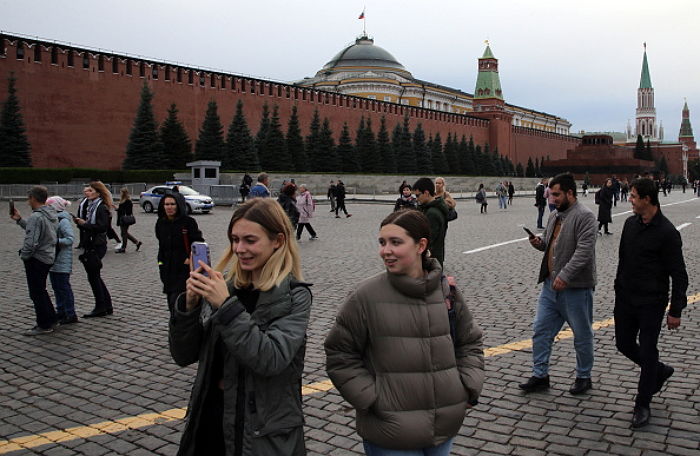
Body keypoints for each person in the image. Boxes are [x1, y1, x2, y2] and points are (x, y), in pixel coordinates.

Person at [325, 209, 484, 456]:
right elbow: (340, 354)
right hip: (391, 433)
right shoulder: (364, 296)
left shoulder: (447, 292)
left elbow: (470, 342)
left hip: (444, 426)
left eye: (395, 242)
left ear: (421, 245)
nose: (385, 251)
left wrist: (467, 386)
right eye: (382, 242)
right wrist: (372, 400)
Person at [169, 198, 311, 455]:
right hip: (213, 418)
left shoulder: (294, 296)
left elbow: (271, 358)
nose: (239, 248)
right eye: (235, 239)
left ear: (278, 241)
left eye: (250, 240)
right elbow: (183, 355)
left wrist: (225, 306)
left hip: (262, 432)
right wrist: (188, 308)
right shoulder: (227, 284)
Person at [614, 178, 688, 428]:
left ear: (647, 199)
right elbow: (623, 259)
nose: (630, 200)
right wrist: (618, 286)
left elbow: (679, 274)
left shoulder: (667, 233)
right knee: (623, 344)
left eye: (634, 196)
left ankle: (642, 403)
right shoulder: (629, 224)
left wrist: (675, 309)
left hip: (651, 302)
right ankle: (658, 370)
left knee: (647, 350)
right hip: (626, 298)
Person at [519, 173, 597, 395]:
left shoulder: (585, 217)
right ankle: (540, 375)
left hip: (576, 289)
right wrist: (538, 243)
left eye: (556, 194)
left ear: (570, 193)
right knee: (541, 331)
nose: (551, 199)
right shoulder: (555, 216)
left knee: (582, 335)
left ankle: (584, 376)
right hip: (550, 287)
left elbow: (584, 252)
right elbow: (549, 245)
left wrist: (565, 275)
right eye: (550, 194)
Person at [10, 186, 59, 335]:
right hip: (48, 255)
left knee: (36, 292)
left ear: (33, 198)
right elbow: (39, 231)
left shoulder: (36, 217)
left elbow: (31, 241)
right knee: (41, 290)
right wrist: (20, 220)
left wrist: (25, 255)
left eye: (28, 198)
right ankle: (51, 317)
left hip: (37, 258)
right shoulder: (50, 213)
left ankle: (44, 324)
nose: (27, 202)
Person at [156, 192, 204, 313]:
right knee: (171, 303)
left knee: (178, 302)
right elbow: (161, 245)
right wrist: (160, 263)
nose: (169, 207)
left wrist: (189, 258)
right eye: (167, 204)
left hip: (183, 270)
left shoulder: (188, 222)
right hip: (167, 269)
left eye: (172, 204)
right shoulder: (160, 223)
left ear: (178, 205)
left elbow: (198, 244)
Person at [74, 181, 114, 318]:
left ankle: (101, 306)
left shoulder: (101, 207)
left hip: (97, 244)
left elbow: (102, 227)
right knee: (95, 275)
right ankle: (106, 305)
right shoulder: (91, 206)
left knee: (93, 276)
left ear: (98, 192)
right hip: (91, 243)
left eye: (91, 191)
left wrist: (85, 224)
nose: (87, 193)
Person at [46, 196, 78, 325]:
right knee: (56, 287)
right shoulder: (52, 219)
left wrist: (54, 241)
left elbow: (70, 239)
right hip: (53, 259)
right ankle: (61, 311)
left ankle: (70, 313)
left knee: (63, 287)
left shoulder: (63, 220)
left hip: (62, 258)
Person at [413, 177, 448, 267]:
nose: (416, 199)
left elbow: (428, 240)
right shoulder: (429, 208)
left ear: (426, 193)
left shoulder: (432, 213)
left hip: (431, 259)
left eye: (418, 195)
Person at [115, 187, 142, 253]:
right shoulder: (123, 200)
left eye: (121, 192)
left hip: (125, 219)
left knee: (124, 233)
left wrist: (119, 209)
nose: (120, 193)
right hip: (122, 218)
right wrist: (117, 209)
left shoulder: (128, 201)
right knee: (124, 233)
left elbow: (128, 211)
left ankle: (123, 247)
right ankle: (137, 242)